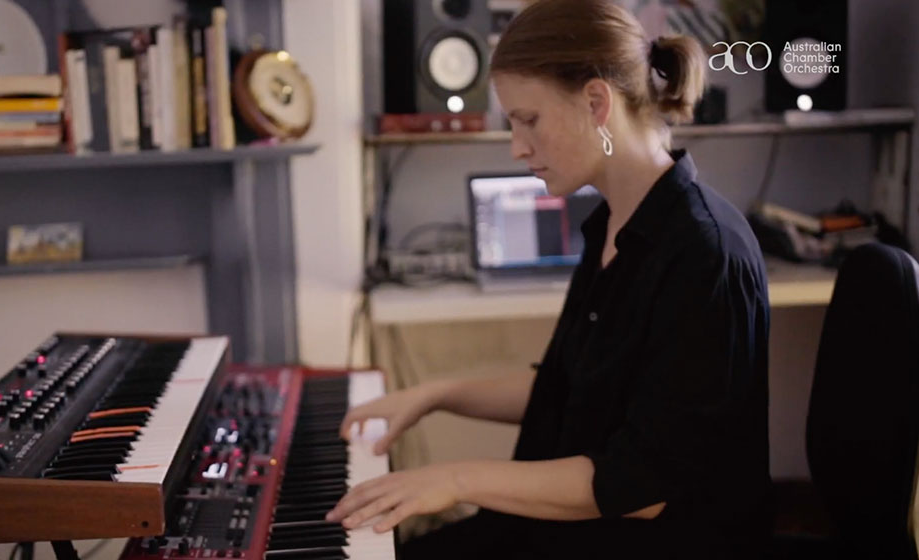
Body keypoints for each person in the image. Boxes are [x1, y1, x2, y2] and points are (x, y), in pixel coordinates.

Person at [325, 0, 772, 557]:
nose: (517, 147)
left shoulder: (705, 253)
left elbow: (639, 489)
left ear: (595, 102)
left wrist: (454, 479)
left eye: (528, 120)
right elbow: (567, 390)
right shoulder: (612, 221)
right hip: (559, 531)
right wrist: (435, 395)